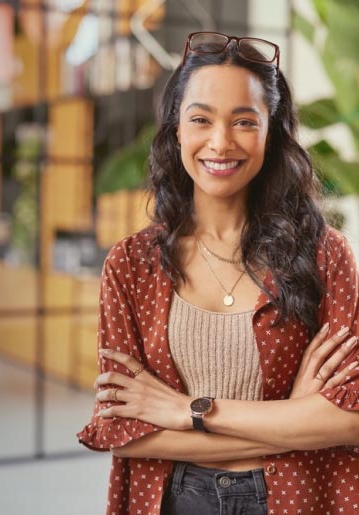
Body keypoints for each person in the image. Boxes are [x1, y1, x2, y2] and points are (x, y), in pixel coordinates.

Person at [77, 32, 359, 515]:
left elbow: (351, 420)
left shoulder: (325, 255)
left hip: (296, 499)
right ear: (177, 130)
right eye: (201, 119)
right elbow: (122, 434)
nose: (221, 142)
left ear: (272, 133)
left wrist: (185, 411)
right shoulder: (130, 265)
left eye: (244, 121)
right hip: (173, 499)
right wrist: (295, 422)